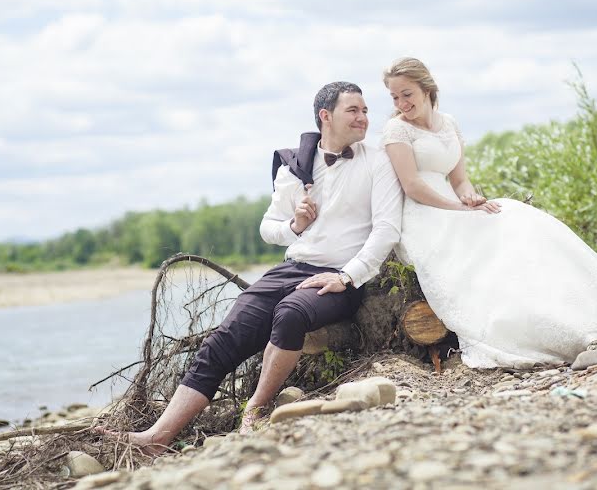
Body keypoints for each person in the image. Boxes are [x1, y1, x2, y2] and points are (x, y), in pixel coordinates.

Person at [105, 81, 402, 453]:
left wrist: (347, 276)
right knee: (224, 339)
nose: (363, 118)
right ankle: (158, 436)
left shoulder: (377, 161)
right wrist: (294, 225)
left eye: (365, 110)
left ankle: (255, 411)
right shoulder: (295, 167)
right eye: (353, 110)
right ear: (326, 116)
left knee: (291, 314)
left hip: (341, 275)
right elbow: (268, 229)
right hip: (292, 267)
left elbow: (387, 228)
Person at [380, 57, 597, 369]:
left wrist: (470, 198)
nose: (401, 103)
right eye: (394, 97)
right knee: (484, 241)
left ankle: (575, 313)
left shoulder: (449, 123)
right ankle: (522, 327)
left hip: (453, 206)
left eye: (407, 94)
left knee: (516, 216)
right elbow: (412, 185)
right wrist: (457, 208)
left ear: (427, 89)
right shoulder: (397, 130)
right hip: (423, 216)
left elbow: (458, 180)